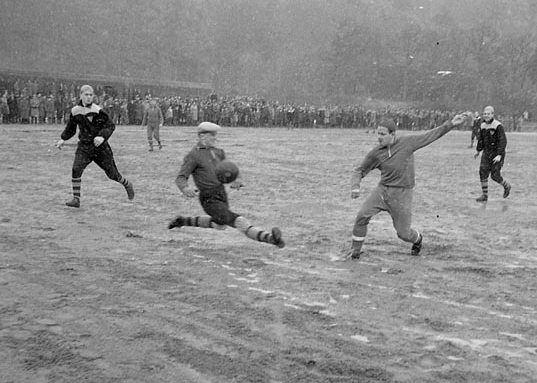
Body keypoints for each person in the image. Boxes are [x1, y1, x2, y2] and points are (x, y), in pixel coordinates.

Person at [346, 113, 467, 260]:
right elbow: (359, 170)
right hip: (382, 191)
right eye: (378, 134)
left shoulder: (408, 143)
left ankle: (417, 239)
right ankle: (355, 252)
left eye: (383, 134)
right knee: (361, 216)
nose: (379, 137)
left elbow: (430, 136)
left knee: (403, 233)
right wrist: (355, 186)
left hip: (402, 194)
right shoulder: (376, 153)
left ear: (393, 134)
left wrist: (451, 124)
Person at [168, 121, 285, 248]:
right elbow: (181, 177)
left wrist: (237, 180)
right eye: (212, 135)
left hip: (221, 194)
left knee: (220, 224)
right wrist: (185, 188)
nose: (215, 138)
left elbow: (230, 169)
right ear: (202, 136)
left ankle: (183, 221)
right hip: (208, 199)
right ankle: (271, 239)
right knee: (237, 220)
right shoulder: (193, 156)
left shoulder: (219, 152)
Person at [56, 85, 134, 208]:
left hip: (101, 149)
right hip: (84, 147)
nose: (88, 97)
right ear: (80, 95)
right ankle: (76, 199)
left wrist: (102, 137)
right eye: (86, 95)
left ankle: (127, 184)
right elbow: (71, 128)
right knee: (76, 169)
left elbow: (110, 126)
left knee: (112, 174)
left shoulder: (98, 110)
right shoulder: (75, 111)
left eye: (91, 95)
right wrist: (63, 139)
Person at [474, 106, 511, 202]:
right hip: (487, 153)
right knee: (482, 172)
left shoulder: (498, 126)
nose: (486, 115)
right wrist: (478, 150)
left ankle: (507, 186)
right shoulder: (482, 126)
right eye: (484, 114)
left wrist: (499, 155)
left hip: (497, 154)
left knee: (495, 176)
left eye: (488, 114)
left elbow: (503, 141)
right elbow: (481, 140)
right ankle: (484, 196)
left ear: (492, 114)